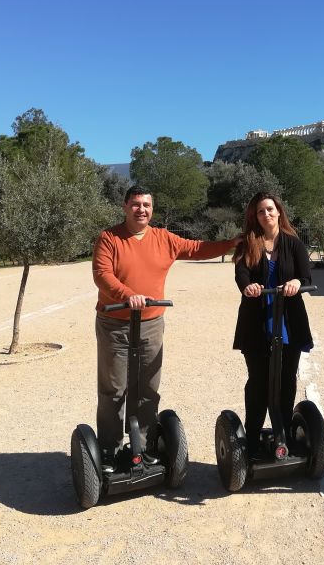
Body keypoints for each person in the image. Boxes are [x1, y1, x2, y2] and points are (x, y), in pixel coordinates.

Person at [92, 185, 241, 470]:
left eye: (146, 205)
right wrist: (127, 295)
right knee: (114, 389)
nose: (141, 210)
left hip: (151, 323)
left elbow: (196, 249)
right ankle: (109, 450)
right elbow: (102, 275)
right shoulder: (109, 238)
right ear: (125, 207)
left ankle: (146, 446)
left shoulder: (163, 239)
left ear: (152, 209)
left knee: (148, 387)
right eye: (136, 204)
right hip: (115, 323)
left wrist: (231, 243)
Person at [232, 192, 314, 458]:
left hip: (288, 319)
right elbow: (241, 274)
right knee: (258, 379)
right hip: (257, 319)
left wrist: (297, 283)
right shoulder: (248, 243)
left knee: (287, 378)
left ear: (279, 211)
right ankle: (253, 436)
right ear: (254, 217)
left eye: (270, 209)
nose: (266, 214)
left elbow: (305, 275)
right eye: (260, 211)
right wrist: (249, 286)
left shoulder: (293, 243)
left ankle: (285, 431)